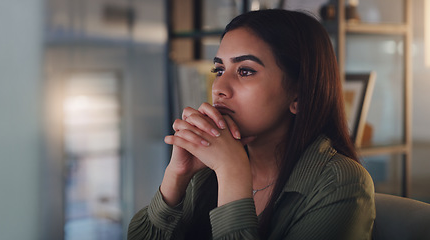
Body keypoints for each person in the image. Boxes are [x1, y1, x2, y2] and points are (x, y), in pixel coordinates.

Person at [128, 9, 375, 240]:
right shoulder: (205, 170)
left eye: (245, 71)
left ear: (299, 96)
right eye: (219, 69)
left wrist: (232, 172)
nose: (218, 88)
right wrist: (177, 176)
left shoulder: (342, 182)